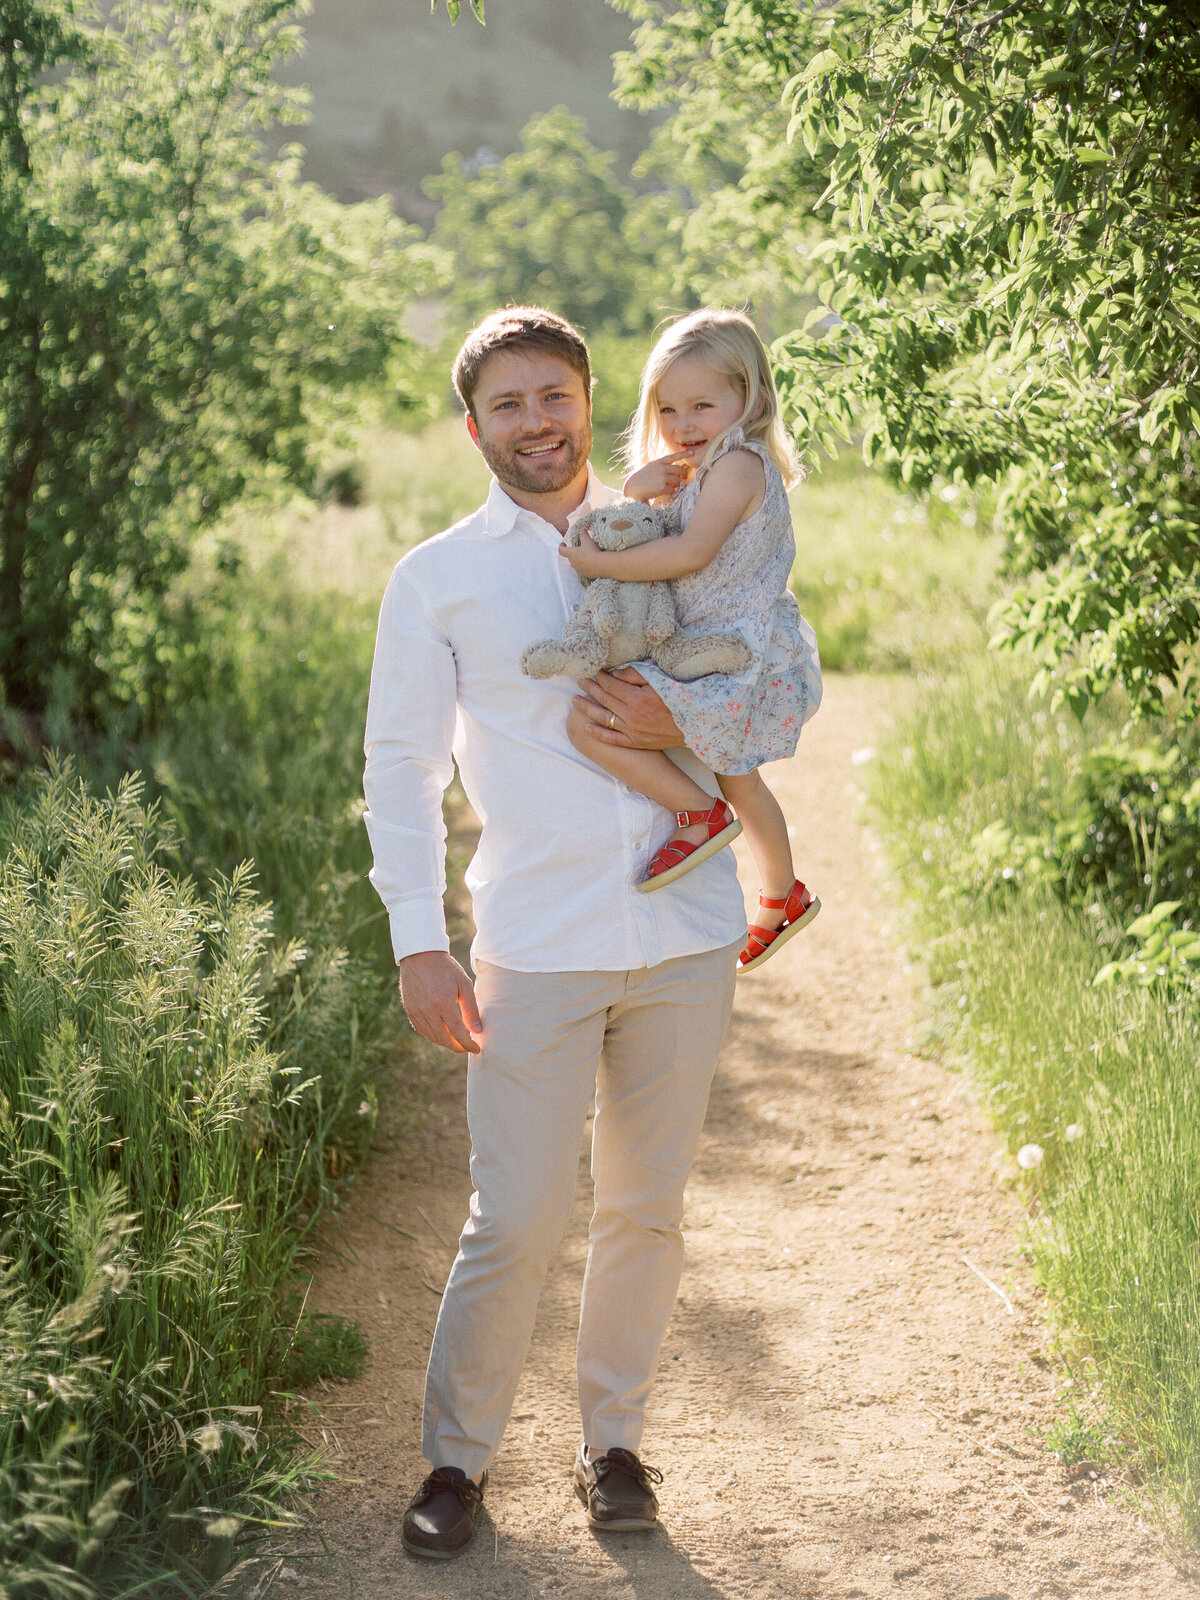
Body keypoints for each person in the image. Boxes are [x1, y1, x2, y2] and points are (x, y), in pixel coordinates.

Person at [362, 306, 747, 1561]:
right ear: (474, 426)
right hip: (530, 937)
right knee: (514, 1216)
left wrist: (676, 731)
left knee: (645, 1207)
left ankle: (614, 1449)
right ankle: (456, 1464)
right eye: (510, 403)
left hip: (684, 927)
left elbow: (768, 680)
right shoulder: (439, 577)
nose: (538, 421)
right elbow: (404, 764)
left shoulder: (692, 531)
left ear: (592, 402)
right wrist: (420, 937)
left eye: (557, 396)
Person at [559, 308, 823, 971]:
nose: (683, 425)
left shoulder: (737, 465)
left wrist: (598, 565)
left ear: (751, 398)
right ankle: (781, 892)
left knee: (594, 722)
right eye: (669, 409)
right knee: (743, 778)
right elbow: (658, 530)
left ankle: (695, 814)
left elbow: (688, 552)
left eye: (703, 405)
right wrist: (640, 490)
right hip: (716, 647)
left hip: (730, 651)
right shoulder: (704, 469)